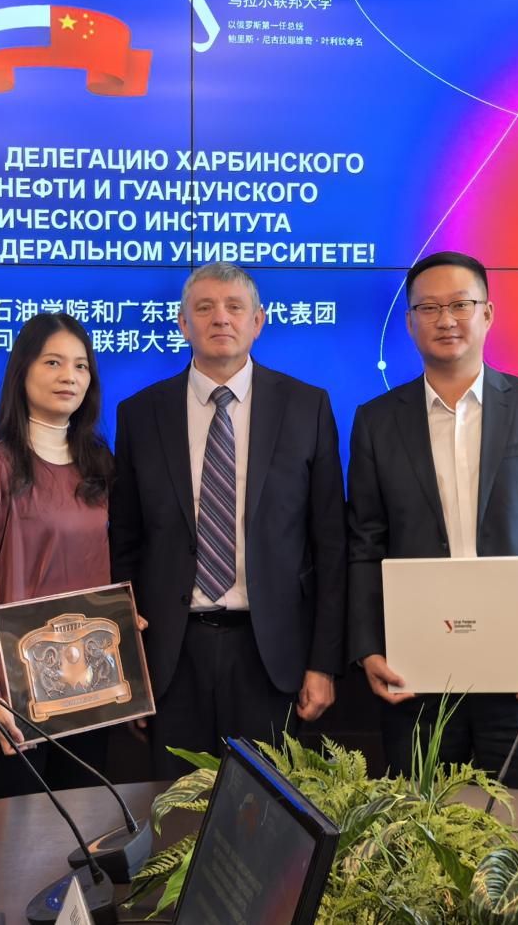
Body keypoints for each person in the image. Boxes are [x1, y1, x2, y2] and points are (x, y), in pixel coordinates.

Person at [347, 251, 518, 792]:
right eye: (429, 308)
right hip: (416, 675)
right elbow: (364, 544)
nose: (446, 319)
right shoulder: (376, 421)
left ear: (487, 313)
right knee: (420, 827)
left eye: (460, 304)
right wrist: (368, 648)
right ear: (410, 322)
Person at [109, 262, 347, 780]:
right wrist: (129, 669)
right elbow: (124, 545)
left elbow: (330, 545)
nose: (221, 318)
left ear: (258, 321)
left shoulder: (306, 407)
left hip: (272, 655)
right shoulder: (141, 413)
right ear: (182, 323)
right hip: (172, 657)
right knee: (176, 810)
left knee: (268, 813)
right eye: (205, 308)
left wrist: (323, 662)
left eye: (235, 307)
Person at [0, 312, 128, 800]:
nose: (70, 376)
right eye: (53, 362)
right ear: (22, 371)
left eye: (81, 366)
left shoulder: (100, 466)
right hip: (15, 696)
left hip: (89, 691)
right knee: (19, 842)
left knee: (86, 835)